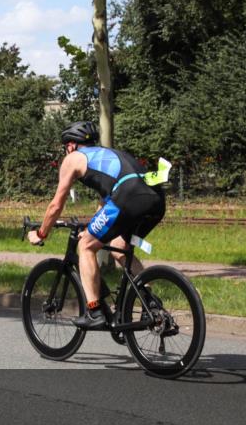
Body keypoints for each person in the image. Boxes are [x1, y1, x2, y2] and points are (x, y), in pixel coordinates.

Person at [27, 121, 166, 329]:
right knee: (119, 247)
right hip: (155, 199)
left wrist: (41, 233)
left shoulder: (73, 159)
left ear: (71, 145)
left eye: (66, 147)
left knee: (85, 246)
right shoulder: (107, 155)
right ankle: (152, 304)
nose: (66, 151)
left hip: (128, 197)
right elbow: (105, 203)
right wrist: (91, 228)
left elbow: (56, 205)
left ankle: (94, 311)